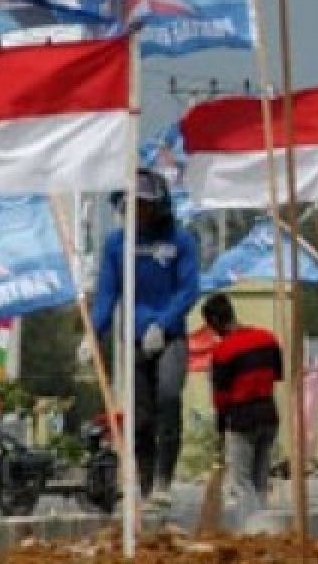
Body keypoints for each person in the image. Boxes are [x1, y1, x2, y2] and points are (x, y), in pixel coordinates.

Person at [83, 168, 200, 508]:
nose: (138, 212)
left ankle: (166, 478)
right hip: (133, 340)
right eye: (131, 206)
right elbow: (107, 295)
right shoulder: (116, 245)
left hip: (169, 336)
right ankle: (146, 485)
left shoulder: (180, 241)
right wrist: (93, 335)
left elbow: (189, 289)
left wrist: (163, 324)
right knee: (140, 416)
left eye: (145, 205)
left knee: (167, 396)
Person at [202, 292, 283, 523]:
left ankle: (253, 530)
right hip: (269, 415)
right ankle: (264, 530)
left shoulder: (223, 352)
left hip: (241, 419)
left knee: (241, 482)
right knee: (260, 480)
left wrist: (220, 430)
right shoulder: (268, 339)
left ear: (215, 322)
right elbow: (275, 377)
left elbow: (222, 398)